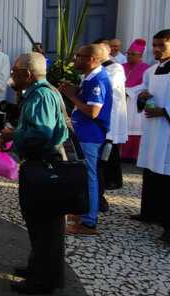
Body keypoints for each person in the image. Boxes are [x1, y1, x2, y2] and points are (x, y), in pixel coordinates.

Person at [0, 52, 69, 294]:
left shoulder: (41, 95)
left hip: (44, 165)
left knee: (46, 225)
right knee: (38, 224)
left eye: (14, 71)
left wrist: (12, 134)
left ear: (27, 75)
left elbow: (41, 133)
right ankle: (38, 268)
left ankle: (43, 282)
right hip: (39, 163)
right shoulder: (37, 92)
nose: (11, 75)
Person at [59, 44, 113, 235]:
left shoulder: (98, 80)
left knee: (89, 176)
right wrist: (74, 91)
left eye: (79, 56)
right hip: (83, 133)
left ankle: (89, 221)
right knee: (82, 175)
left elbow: (93, 111)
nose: (75, 59)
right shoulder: (89, 77)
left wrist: (72, 96)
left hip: (90, 135)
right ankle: (81, 212)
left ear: (92, 59)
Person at [130, 29, 170, 246]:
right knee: (151, 172)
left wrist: (164, 111)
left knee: (166, 177)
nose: (156, 49)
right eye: (154, 45)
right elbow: (142, 91)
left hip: (167, 131)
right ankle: (150, 212)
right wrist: (143, 97)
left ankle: (168, 227)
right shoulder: (153, 70)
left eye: (161, 45)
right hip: (153, 129)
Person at [94, 40, 128, 202]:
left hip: (110, 115)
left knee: (107, 151)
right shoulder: (94, 69)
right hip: (95, 116)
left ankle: (109, 183)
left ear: (106, 51)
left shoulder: (115, 68)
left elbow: (107, 85)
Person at [122, 39, 150, 162]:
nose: (129, 56)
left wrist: (128, 91)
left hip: (136, 104)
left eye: (133, 54)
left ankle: (135, 156)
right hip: (122, 102)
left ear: (140, 55)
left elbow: (146, 85)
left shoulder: (147, 69)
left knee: (136, 128)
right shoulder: (121, 67)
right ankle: (122, 155)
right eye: (128, 53)